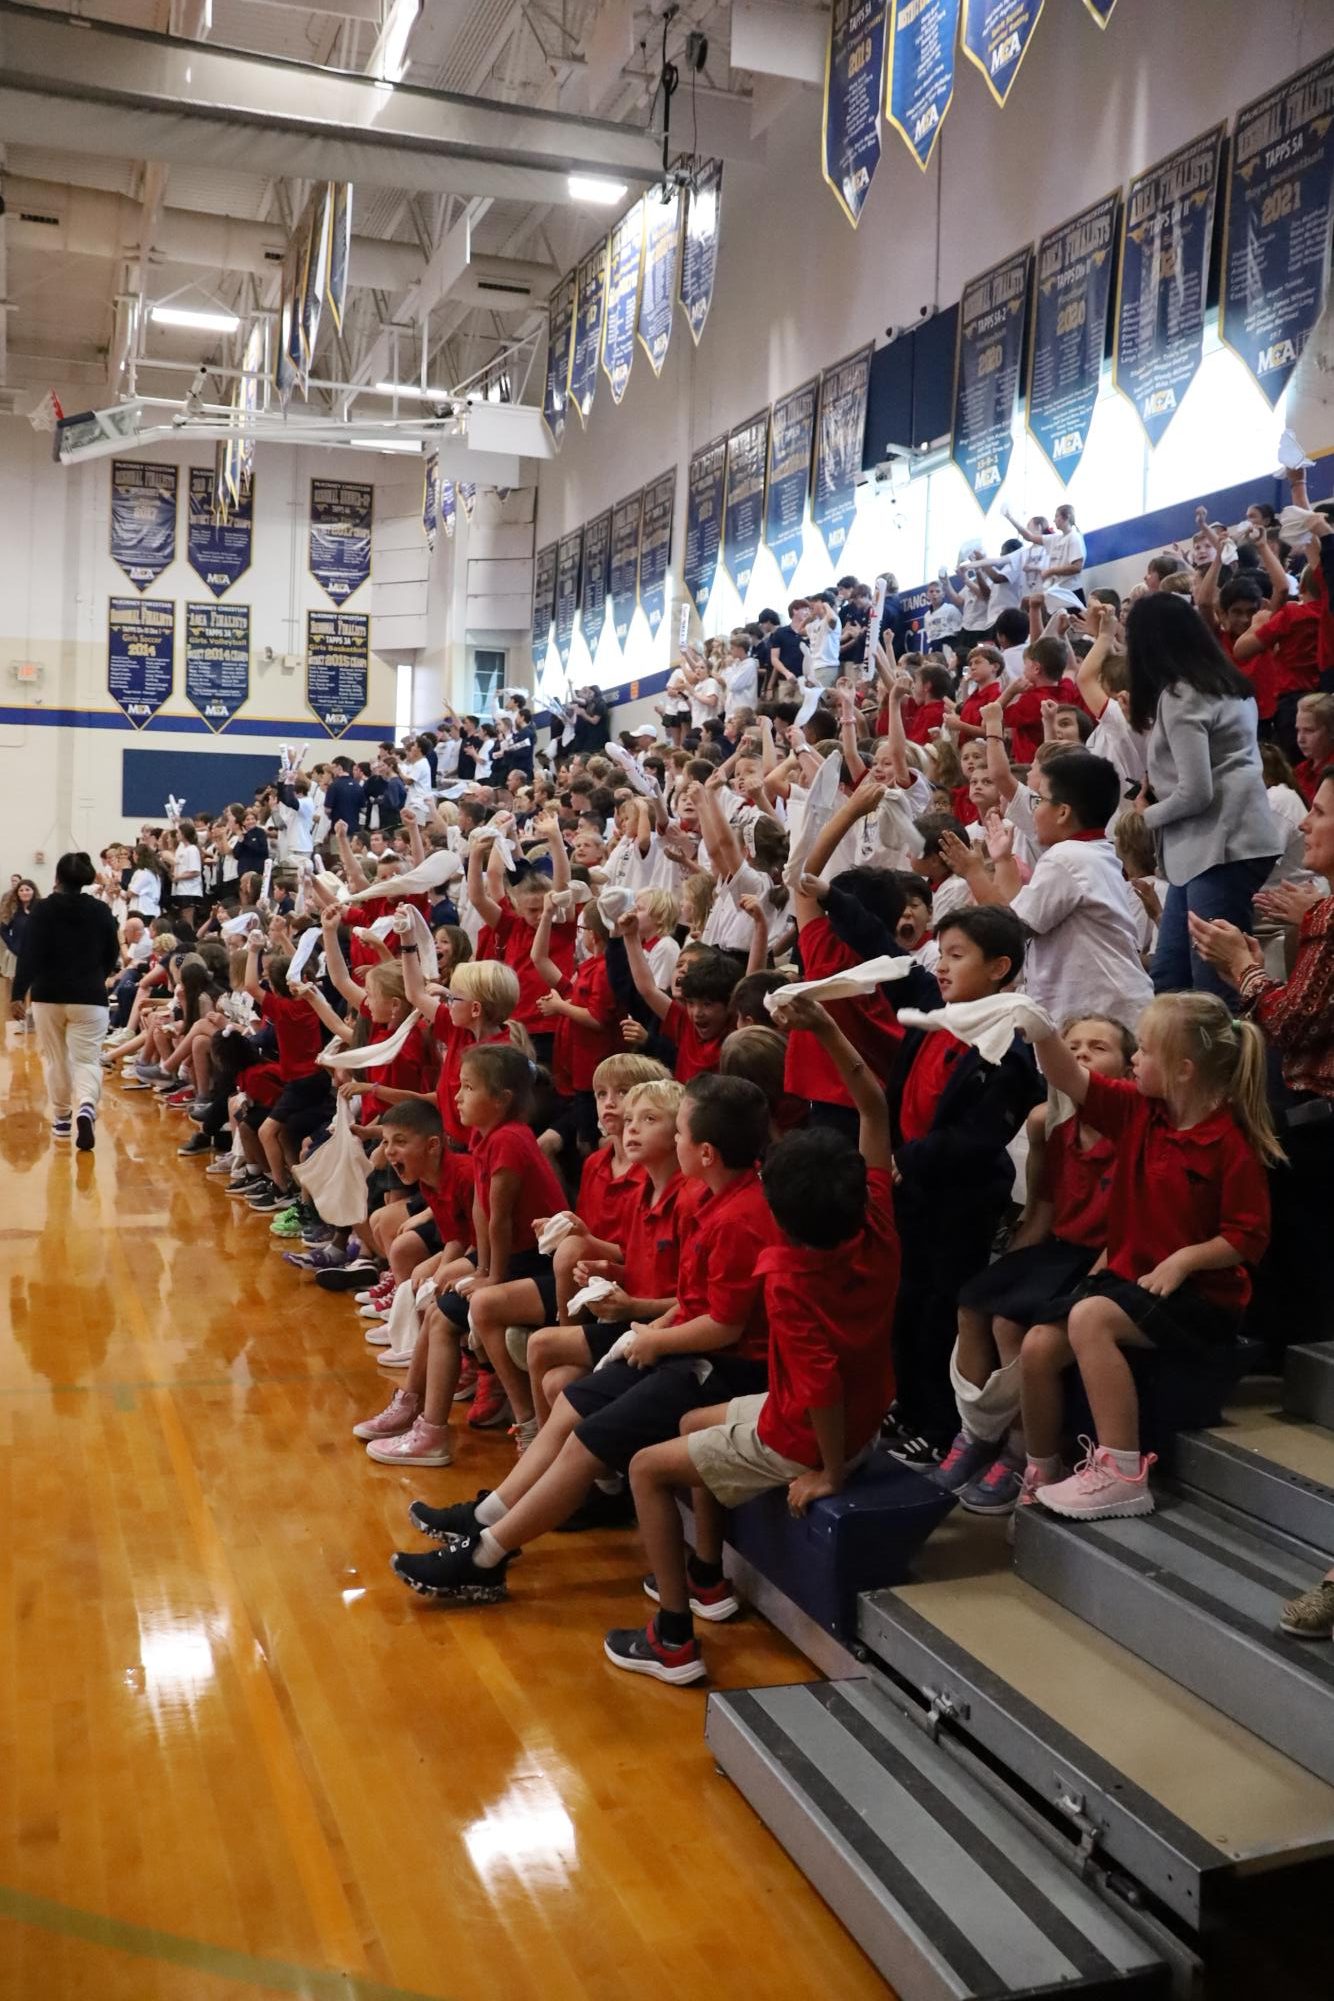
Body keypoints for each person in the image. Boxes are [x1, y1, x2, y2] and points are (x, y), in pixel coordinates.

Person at [385, 1074, 777, 1605]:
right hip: (685, 1347)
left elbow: (725, 1326)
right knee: (571, 1401)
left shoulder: (733, 1216)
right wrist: (651, 1330)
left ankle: (486, 1555)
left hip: (719, 1366)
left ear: (704, 1152)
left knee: (588, 1432)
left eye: (677, 1132)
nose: (671, 1140)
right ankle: (490, 1516)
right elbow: (696, 1301)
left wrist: (651, 1335)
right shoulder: (712, 1198)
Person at [602, 997, 898, 1685]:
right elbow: (874, 1108)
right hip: (862, 1404)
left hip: (813, 1429)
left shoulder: (788, 1277)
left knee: (647, 1466)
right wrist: (824, 1026)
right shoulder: (878, 1221)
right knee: (689, 1420)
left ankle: (673, 1636)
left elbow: (819, 1382)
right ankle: (707, 1573)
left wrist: (829, 1470)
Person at [1016, 993, 1277, 1521]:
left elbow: (1247, 1237)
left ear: (1182, 1070)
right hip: (1136, 1284)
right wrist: (1041, 1030)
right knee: (1039, 1345)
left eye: (1145, 1050)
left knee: (1090, 1317)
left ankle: (1123, 1473)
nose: (1133, 1058)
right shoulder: (1138, 1110)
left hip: (1201, 1299)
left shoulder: (1230, 1142)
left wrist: (1183, 1260)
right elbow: (1070, 1077)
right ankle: (1041, 1468)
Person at [937, 1015, 1133, 1514]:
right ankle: (977, 1434)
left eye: (1098, 1046)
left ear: (1127, 1068)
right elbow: (1042, 1208)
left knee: (1011, 1324)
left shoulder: (1133, 1123)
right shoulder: (1047, 1121)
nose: (1083, 1053)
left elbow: (1131, 1227)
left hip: (1107, 1255)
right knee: (973, 1300)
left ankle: (1021, 1449)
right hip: (1059, 1247)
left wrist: (1091, 1286)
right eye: (1073, 1045)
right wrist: (1009, 1268)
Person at [1188, 766, 1334, 1354]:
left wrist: (1239, 970)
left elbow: (1294, 1022)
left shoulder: (1328, 915)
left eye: (1321, 813)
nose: (1306, 822)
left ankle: (1281, 1341)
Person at [1121, 593, 1279, 995]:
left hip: (1220, 846)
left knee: (1213, 985)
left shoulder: (1181, 694)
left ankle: (1231, 1060)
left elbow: (1196, 792)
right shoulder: (1229, 685)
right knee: (1172, 977)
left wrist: (1143, 817)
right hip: (1218, 846)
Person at [942, 749, 1154, 1028]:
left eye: (1040, 800)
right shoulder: (1092, 852)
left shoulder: (1067, 858)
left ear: (1063, 812)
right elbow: (1016, 909)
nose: (1035, 810)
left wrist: (973, 872)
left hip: (1103, 1013)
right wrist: (1003, 860)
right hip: (1112, 1006)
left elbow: (1009, 925)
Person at [12, 851, 120, 1148]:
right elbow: (112, 951)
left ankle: (62, 1119)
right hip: (90, 995)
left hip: (48, 995)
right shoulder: (100, 910)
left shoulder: (43, 910)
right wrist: (100, 974)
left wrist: (17, 992)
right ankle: (86, 1105)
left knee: (56, 1059)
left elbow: (28, 954)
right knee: (87, 1058)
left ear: (57, 877)